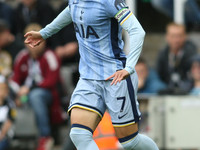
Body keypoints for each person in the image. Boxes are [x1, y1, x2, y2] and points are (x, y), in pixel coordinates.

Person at [24, 0, 159, 150]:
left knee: (130, 142)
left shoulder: (110, 2)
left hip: (116, 77)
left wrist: (129, 67)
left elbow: (137, 31)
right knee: (78, 135)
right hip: (88, 78)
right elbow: (71, 11)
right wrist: (44, 33)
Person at [10, 23, 63, 150]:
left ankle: (45, 136)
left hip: (47, 95)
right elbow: (14, 79)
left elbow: (51, 81)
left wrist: (29, 89)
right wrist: (18, 92)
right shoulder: (22, 56)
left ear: (44, 41)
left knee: (36, 95)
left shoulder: (50, 56)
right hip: (23, 95)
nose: (33, 44)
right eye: (29, 41)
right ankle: (9, 136)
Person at [156, 22, 197, 92]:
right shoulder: (163, 54)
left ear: (185, 36)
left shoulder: (193, 54)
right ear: (167, 37)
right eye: (173, 36)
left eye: (179, 36)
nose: (176, 40)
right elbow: (158, 75)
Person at [0, 75, 16, 150]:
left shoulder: (10, 104)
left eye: (3, 89)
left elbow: (10, 121)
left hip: (4, 137)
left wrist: (2, 135)